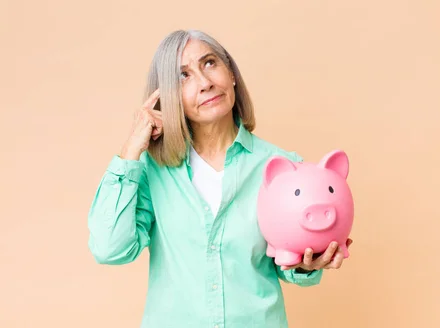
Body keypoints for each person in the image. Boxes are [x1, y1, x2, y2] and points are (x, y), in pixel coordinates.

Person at [87, 29, 353, 328]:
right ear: (167, 96)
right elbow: (110, 249)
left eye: (210, 63)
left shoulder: (283, 168)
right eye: (183, 76)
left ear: (232, 73)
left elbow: (290, 261)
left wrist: (306, 264)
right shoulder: (152, 169)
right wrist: (131, 151)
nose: (205, 83)